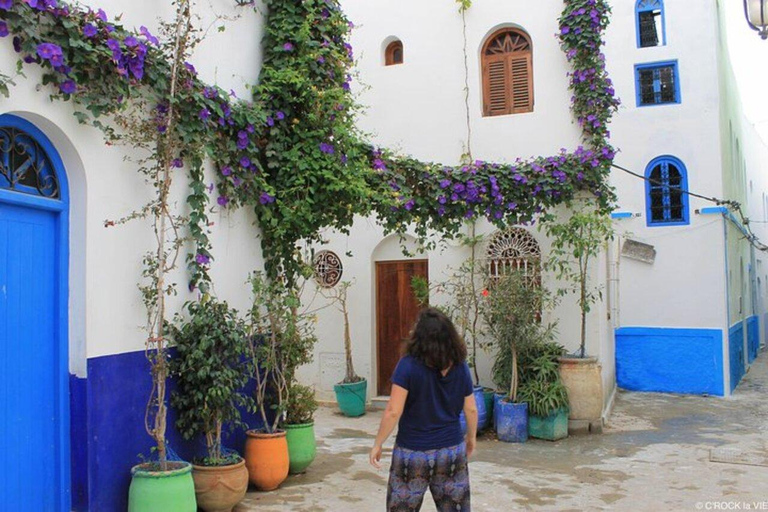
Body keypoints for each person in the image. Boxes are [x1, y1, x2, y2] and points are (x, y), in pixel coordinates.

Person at [369, 307, 477, 511]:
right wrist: (471, 438)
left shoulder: (408, 365)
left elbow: (393, 410)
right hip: (451, 451)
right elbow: (470, 409)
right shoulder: (460, 366)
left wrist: (378, 443)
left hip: (412, 453)